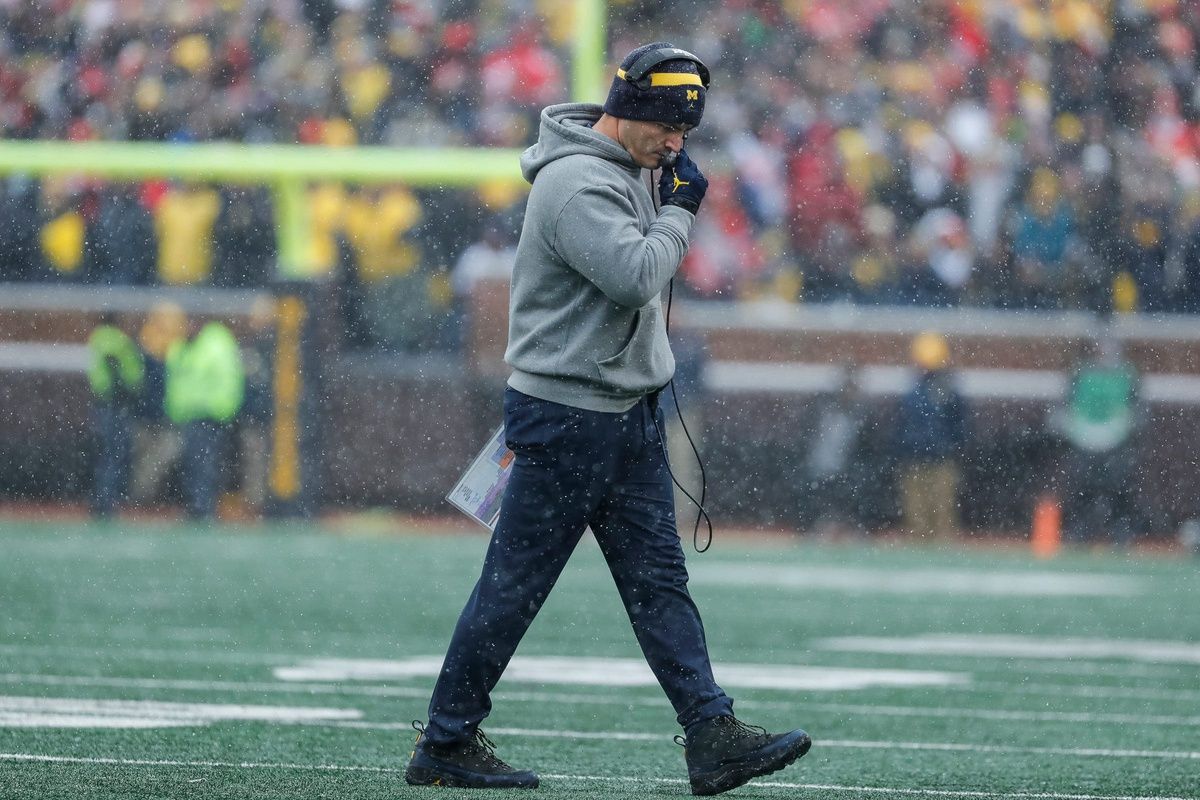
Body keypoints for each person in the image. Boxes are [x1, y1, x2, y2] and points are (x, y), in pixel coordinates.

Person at [406, 43, 811, 795]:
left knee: (657, 581)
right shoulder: (574, 184)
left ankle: (710, 731)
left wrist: (667, 199)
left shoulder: (620, 170)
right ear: (629, 115)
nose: (677, 146)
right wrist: (683, 210)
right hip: (568, 417)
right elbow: (634, 276)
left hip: (617, 413)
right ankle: (447, 740)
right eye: (668, 130)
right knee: (515, 585)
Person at [164, 313, 245, 520]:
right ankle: (197, 506)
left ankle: (203, 507)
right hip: (190, 416)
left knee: (204, 463)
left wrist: (222, 409)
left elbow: (227, 379)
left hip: (210, 416)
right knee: (194, 463)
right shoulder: (184, 347)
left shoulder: (215, 345)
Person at [892, 332, 968, 541]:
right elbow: (903, 422)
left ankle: (939, 547)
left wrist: (952, 448)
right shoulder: (915, 388)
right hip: (916, 455)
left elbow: (958, 424)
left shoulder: (947, 389)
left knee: (942, 510)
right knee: (916, 511)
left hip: (940, 456)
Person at [87, 313, 145, 519]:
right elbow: (117, 369)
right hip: (115, 405)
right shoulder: (114, 340)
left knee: (107, 454)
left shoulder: (98, 339)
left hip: (105, 404)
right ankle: (106, 502)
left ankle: (103, 500)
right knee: (114, 454)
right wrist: (126, 392)